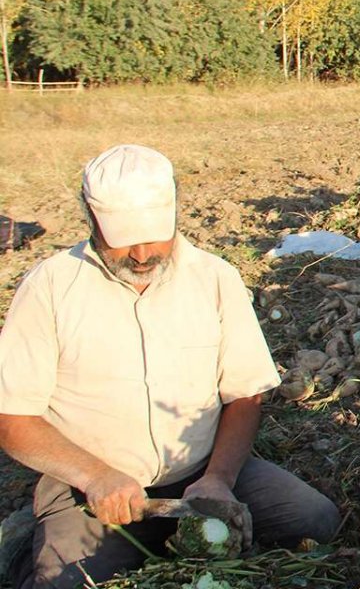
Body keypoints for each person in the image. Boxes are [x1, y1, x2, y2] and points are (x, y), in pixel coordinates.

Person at [0, 145, 340, 588]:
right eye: (123, 240)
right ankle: (29, 538)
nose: (142, 254)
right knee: (63, 581)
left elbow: (245, 393)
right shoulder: (49, 286)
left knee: (317, 520)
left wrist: (219, 478)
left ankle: (173, 531)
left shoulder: (215, 278)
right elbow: (13, 418)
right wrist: (97, 476)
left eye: (154, 236)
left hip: (200, 474)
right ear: (91, 219)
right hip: (89, 493)